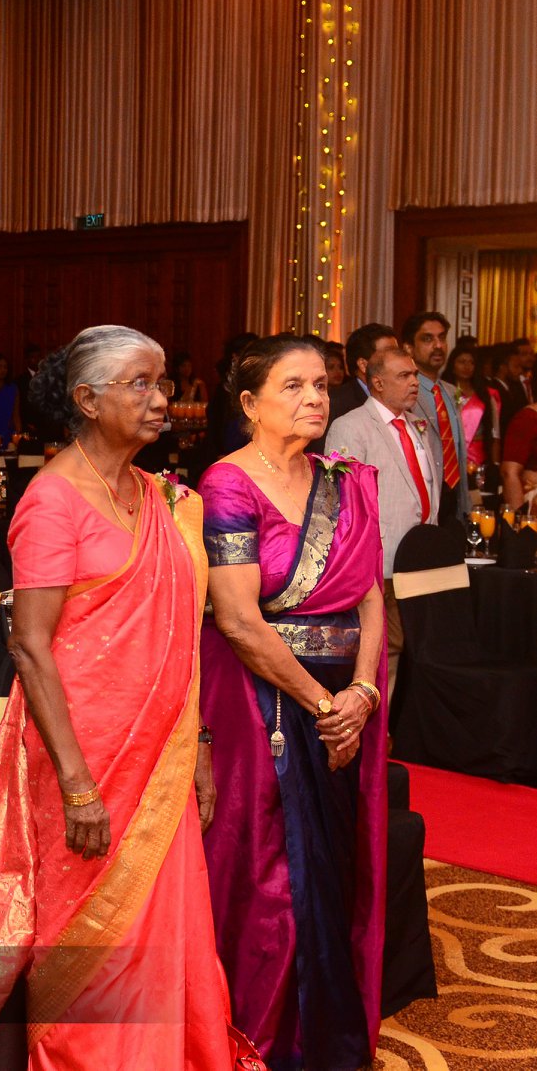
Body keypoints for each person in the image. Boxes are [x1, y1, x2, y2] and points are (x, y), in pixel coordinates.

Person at [0, 325, 244, 1068]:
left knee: (161, 919)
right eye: (140, 383)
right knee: (88, 930)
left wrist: (198, 742)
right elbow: (29, 645)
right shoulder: (52, 500)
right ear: (87, 399)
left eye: (163, 383)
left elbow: (181, 636)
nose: (161, 399)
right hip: (81, 753)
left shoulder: (161, 497)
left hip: (160, 750)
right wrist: (77, 784)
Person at [201, 335, 388, 1071]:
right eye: (293, 385)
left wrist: (363, 692)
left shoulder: (343, 479)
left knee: (334, 864)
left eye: (320, 384)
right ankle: (264, 1040)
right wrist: (323, 705)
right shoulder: (227, 483)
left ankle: (328, 1035)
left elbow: (369, 593)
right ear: (249, 403)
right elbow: (237, 619)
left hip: (346, 700)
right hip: (264, 703)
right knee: (271, 873)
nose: (314, 397)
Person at [326, 346, 438, 667]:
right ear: (377, 383)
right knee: (383, 652)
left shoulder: (417, 424)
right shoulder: (351, 426)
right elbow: (342, 502)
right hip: (380, 561)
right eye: (404, 376)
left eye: (414, 374)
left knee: (416, 650)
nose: (414, 382)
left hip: (420, 559)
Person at [403, 311, 468, 523]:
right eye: (428, 339)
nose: (438, 345)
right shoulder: (405, 393)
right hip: (421, 501)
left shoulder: (450, 392)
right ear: (409, 348)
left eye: (442, 338)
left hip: (453, 498)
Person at [326, 322, 397, 431]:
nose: (399, 361)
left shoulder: (398, 397)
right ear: (363, 365)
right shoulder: (334, 404)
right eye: (389, 355)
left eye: (398, 353)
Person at [448, 344, 498, 474]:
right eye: (462, 362)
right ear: (452, 365)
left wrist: (495, 465)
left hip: (479, 456)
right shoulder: (444, 393)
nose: (467, 366)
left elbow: (495, 433)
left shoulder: (485, 395)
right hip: (451, 456)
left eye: (471, 363)